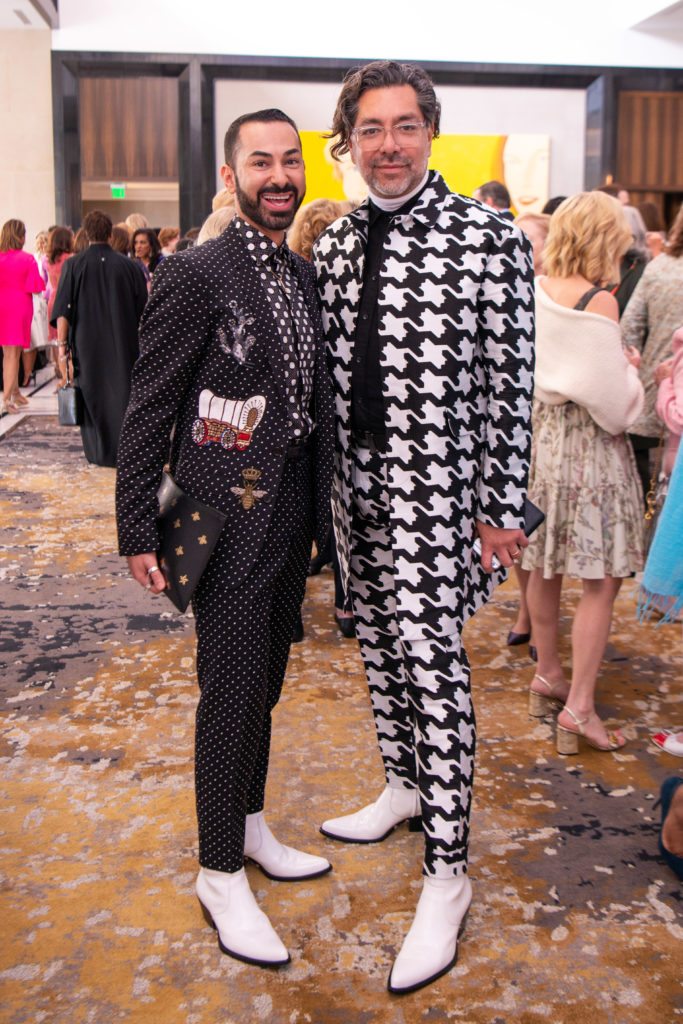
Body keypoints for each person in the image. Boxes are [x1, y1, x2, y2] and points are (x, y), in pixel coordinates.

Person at [312, 60, 534, 995]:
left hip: (442, 497)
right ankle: (402, 785)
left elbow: (509, 381)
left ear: (429, 134)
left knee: (434, 668)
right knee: (380, 652)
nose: (389, 144)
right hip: (351, 492)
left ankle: (448, 872)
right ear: (350, 143)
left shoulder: (488, 238)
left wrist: (499, 503)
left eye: (404, 126)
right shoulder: (334, 246)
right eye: (371, 129)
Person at [115, 109, 335, 970]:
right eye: (260, 162)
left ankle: (245, 827)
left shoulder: (301, 275)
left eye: (290, 161)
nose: (278, 176)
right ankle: (216, 872)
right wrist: (136, 520)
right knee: (231, 693)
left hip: (288, 518)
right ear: (230, 173)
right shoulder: (195, 272)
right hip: (222, 522)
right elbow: (151, 402)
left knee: (266, 686)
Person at [521, 192, 644, 755]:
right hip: (590, 450)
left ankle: (548, 672)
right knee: (601, 582)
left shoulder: (536, 289)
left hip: (541, 443)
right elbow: (614, 407)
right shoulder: (600, 302)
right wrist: (632, 373)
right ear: (606, 238)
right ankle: (581, 707)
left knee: (542, 566)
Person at [51, 210, 148, 467]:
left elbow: (63, 311)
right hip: (122, 341)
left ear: (86, 233)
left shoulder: (74, 265)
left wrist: (62, 348)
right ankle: (123, 450)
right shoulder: (129, 266)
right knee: (123, 394)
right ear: (109, 233)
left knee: (92, 394)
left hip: (86, 342)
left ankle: (97, 452)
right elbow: (144, 311)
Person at [621, 203, 683, 504]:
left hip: (652, 388)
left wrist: (631, 369)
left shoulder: (659, 266)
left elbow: (630, 326)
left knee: (649, 484)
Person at [0, 219, 46, 415]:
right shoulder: (27, 259)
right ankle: (7, 399)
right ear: (21, 236)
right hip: (19, 306)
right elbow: (36, 287)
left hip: (2, 305)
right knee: (13, 353)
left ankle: (16, 391)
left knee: (10, 352)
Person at [45, 225, 75, 388]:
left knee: (59, 343)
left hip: (53, 300)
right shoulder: (70, 259)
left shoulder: (49, 260)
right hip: (67, 300)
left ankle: (63, 377)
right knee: (68, 341)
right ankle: (69, 376)